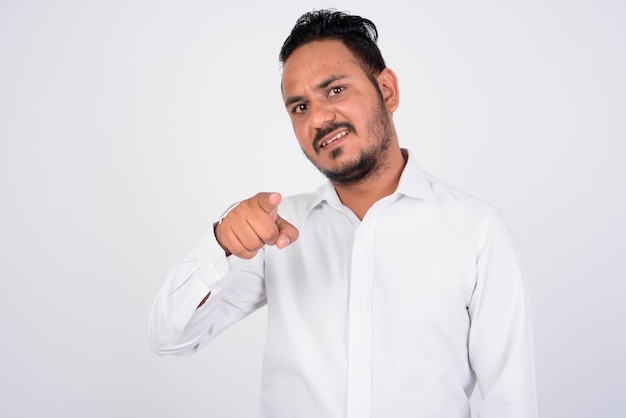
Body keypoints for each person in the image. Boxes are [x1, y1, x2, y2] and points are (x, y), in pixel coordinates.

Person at [149, 9, 537, 418]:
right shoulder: (279, 230)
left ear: (386, 90)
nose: (318, 117)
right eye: (299, 107)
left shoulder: (477, 230)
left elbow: (510, 402)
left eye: (334, 90)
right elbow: (169, 337)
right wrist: (221, 244)